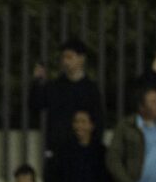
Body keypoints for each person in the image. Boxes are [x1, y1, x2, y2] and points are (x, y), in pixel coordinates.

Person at [30, 38, 105, 174]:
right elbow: (36, 105)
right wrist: (37, 83)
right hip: (57, 151)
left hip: (82, 152)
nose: (65, 61)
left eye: (70, 57)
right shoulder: (55, 86)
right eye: (63, 57)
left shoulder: (90, 89)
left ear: (81, 59)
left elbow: (98, 122)